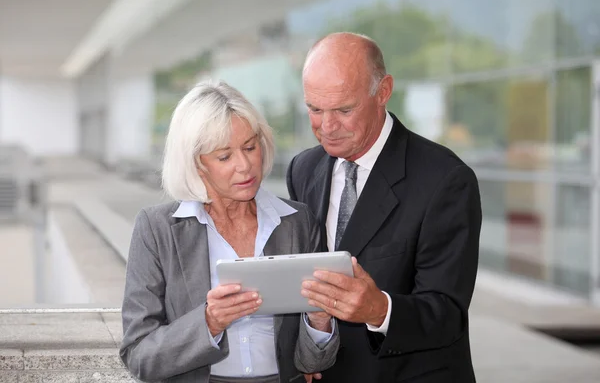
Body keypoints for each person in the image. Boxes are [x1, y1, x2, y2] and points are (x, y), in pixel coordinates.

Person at [288, 32, 482, 382]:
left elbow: (448, 313)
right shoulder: (302, 169)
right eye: (314, 109)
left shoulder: (446, 180)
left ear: (384, 92)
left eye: (344, 110)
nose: (327, 127)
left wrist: (379, 309)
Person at [120, 81, 339, 383]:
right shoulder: (157, 229)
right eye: (224, 157)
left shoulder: (298, 222)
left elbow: (314, 363)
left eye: (250, 147)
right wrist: (209, 322)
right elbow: (139, 356)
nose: (245, 165)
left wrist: (320, 320)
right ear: (197, 164)